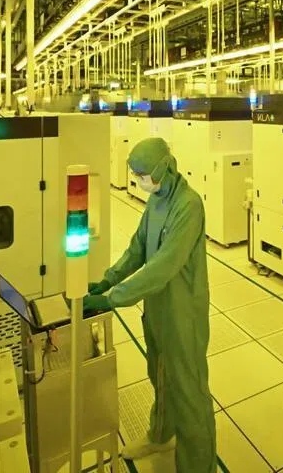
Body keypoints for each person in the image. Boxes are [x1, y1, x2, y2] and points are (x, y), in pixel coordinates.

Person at [83, 137, 216, 471]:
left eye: (143, 175)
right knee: (160, 374)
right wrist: (109, 279)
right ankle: (161, 434)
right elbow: (138, 247)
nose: (141, 182)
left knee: (189, 391)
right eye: (137, 176)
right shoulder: (156, 201)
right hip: (157, 308)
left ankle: (198, 465)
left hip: (183, 313)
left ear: (164, 169)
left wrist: (112, 298)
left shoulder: (189, 205)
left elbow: (163, 266)